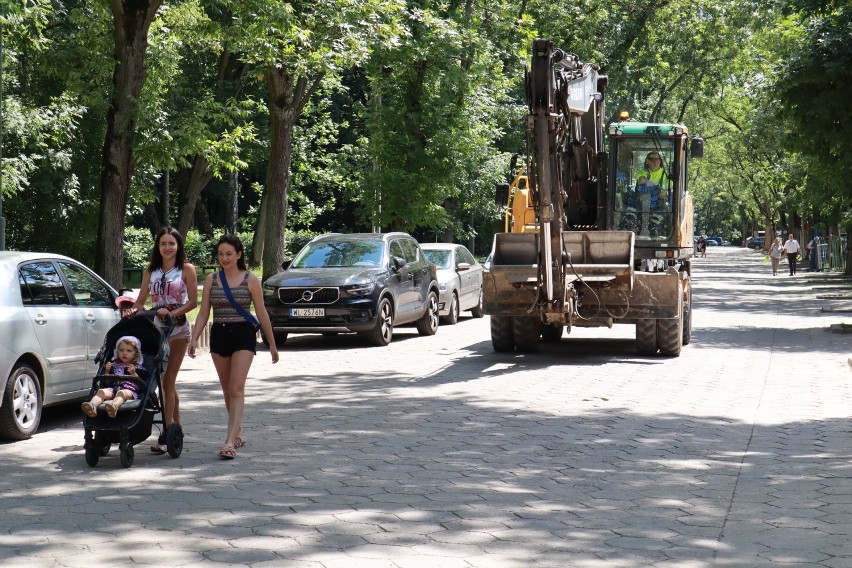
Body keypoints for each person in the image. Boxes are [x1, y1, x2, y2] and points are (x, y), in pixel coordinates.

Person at [188, 234, 279, 459]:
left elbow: (261, 312)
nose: (224, 258)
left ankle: (229, 441)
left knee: (236, 387)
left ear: (239, 255)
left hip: (243, 334)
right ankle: (237, 432)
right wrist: (194, 338)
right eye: (221, 254)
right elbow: (202, 313)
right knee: (227, 389)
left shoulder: (250, 279)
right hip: (220, 334)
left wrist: (273, 345)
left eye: (229, 254)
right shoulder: (212, 279)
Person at [125, 227, 198, 453]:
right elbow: (141, 301)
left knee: (167, 381)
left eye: (171, 244)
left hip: (178, 331)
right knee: (167, 382)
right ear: (158, 247)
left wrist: (172, 313)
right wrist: (133, 310)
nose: (167, 248)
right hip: (157, 332)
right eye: (163, 244)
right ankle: (176, 427)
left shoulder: (186, 269)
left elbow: (193, 302)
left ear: (178, 246)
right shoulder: (151, 271)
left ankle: (166, 435)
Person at [82, 336, 145, 418]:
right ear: (117, 352)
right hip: (114, 388)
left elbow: (140, 385)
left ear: (136, 353)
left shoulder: (139, 368)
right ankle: (92, 406)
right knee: (101, 391)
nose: (124, 353)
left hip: (130, 391)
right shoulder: (114, 365)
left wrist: (134, 374)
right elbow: (108, 382)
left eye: (129, 351)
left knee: (121, 393)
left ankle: (113, 406)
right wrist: (107, 371)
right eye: (121, 350)